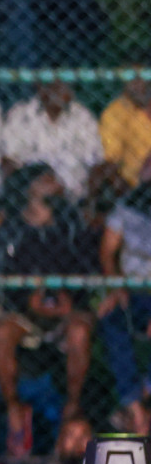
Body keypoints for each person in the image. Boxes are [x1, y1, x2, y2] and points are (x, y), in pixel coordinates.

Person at [0, 165, 95, 448]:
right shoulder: (13, 227)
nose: (54, 183)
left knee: (79, 332)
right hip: (27, 310)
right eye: (45, 181)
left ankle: (72, 406)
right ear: (30, 191)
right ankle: (13, 406)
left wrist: (68, 301)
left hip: (66, 309)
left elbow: (86, 270)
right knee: (2, 332)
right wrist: (29, 301)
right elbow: (3, 277)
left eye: (54, 178)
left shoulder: (71, 224)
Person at [97, 183, 151, 430]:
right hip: (132, 288)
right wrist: (116, 287)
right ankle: (134, 403)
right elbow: (107, 252)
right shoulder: (129, 206)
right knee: (112, 320)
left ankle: (143, 393)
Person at [0, 81, 102, 203]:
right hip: (30, 198)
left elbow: (97, 162)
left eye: (67, 84)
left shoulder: (83, 117)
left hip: (74, 198)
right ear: (40, 87)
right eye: (57, 85)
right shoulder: (20, 115)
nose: (63, 90)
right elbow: (8, 161)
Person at [99, 65, 151, 188]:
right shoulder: (115, 112)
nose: (138, 83)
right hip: (131, 182)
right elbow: (111, 157)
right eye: (132, 78)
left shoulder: (147, 107)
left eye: (142, 78)